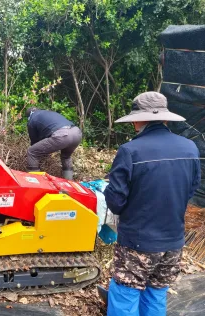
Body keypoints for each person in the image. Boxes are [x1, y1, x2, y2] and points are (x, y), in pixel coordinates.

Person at [98, 92, 201, 316]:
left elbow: (115, 202)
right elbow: (192, 190)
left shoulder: (130, 151)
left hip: (137, 241)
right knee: (156, 293)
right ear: (165, 118)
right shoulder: (190, 148)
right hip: (173, 240)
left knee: (125, 293)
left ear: (137, 120)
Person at [25, 107, 82, 180]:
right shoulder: (47, 112)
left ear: (29, 115)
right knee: (66, 156)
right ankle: (69, 181)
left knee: (32, 151)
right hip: (77, 133)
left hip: (62, 135)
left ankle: (35, 181)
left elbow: (34, 141)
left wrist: (41, 153)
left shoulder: (32, 119)